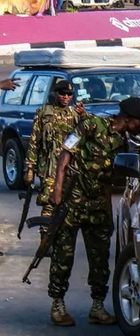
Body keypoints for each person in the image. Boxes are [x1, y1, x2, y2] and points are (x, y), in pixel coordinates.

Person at [47, 97, 140, 327]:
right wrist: (56, 188)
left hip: (98, 205)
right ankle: (58, 304)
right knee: (63, 255)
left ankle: (97, 306)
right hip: (73, 200)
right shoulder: (92, 124)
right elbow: (66, 153)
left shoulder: (123, 142)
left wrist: (109, 210)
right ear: (129, 119)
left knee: (100, 258)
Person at [25, 80, 86, 254]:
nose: (66, 97)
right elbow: (34, 142)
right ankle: (45, 242)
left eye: (69, 94)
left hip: (70, 168)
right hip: (50, 167)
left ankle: (62, 243)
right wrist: (30, 168)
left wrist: (84, 116)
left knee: (69, 206)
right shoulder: (44, 113)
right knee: (49, 203)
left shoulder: (76, 114)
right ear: (55, 93)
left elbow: (87, 135)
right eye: (62, 94)